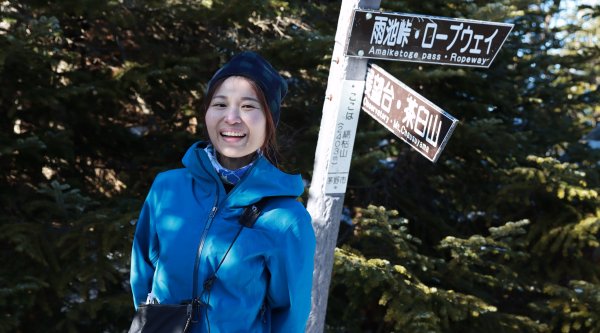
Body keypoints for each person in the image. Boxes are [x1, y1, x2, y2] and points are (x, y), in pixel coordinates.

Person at [130, 51, 316, 332]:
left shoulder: (287, 219)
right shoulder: (167, 188)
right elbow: (142, 275)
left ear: (269, 121)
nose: (231, 117)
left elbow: (289, 314)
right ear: (206, 113)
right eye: (220, 104)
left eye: (248, 106)